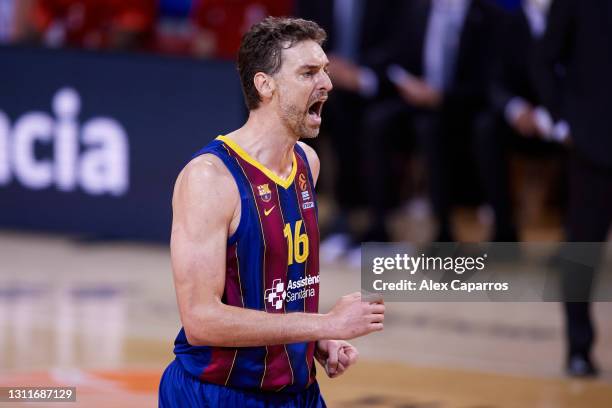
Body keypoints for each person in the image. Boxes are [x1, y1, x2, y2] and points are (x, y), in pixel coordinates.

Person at [158, 17, 385, 407]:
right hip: (219, 394)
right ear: (265, 85)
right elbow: (200, 321)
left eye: (326, 71)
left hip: (298, 392)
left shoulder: (306, 163)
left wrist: (316, 341)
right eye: (309, 72)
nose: (327, 84)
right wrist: (325, 323)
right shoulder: (210, 179)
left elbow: (277, 295)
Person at [534, 0, 612, 377]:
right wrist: (564, 121)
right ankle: (579, 348)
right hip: (592, 143)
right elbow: (545, 58)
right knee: (582, 252)